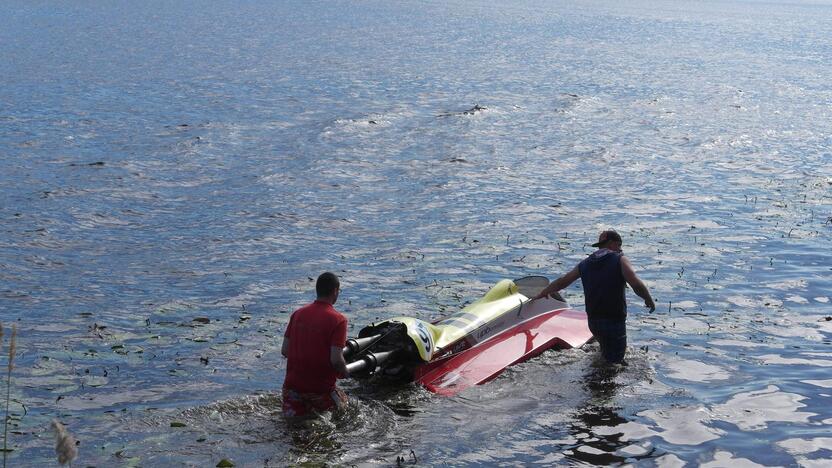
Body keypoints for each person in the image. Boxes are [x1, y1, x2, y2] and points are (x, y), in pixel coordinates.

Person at [533, 230, 655, 363]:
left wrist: (544, 292)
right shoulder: (619, 259)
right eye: (619, 245)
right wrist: (648, 299)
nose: (620, 249)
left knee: (604, 353)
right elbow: (635, 282)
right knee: (615, 363)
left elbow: (563, 281)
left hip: (593, 321)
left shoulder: (585, 264)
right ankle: (600, 381)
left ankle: (594, 378)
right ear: (612, 243)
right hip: (614, 320)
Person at [281, 272, 350, 417]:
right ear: (336, 291)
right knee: (346, 410)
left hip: (291, 389)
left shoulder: (298, 314)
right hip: (319, 391)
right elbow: (336, 360)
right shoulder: (339, 320)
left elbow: (285, 350)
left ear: (317, 290)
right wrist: (345, 371)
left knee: (295, 423)